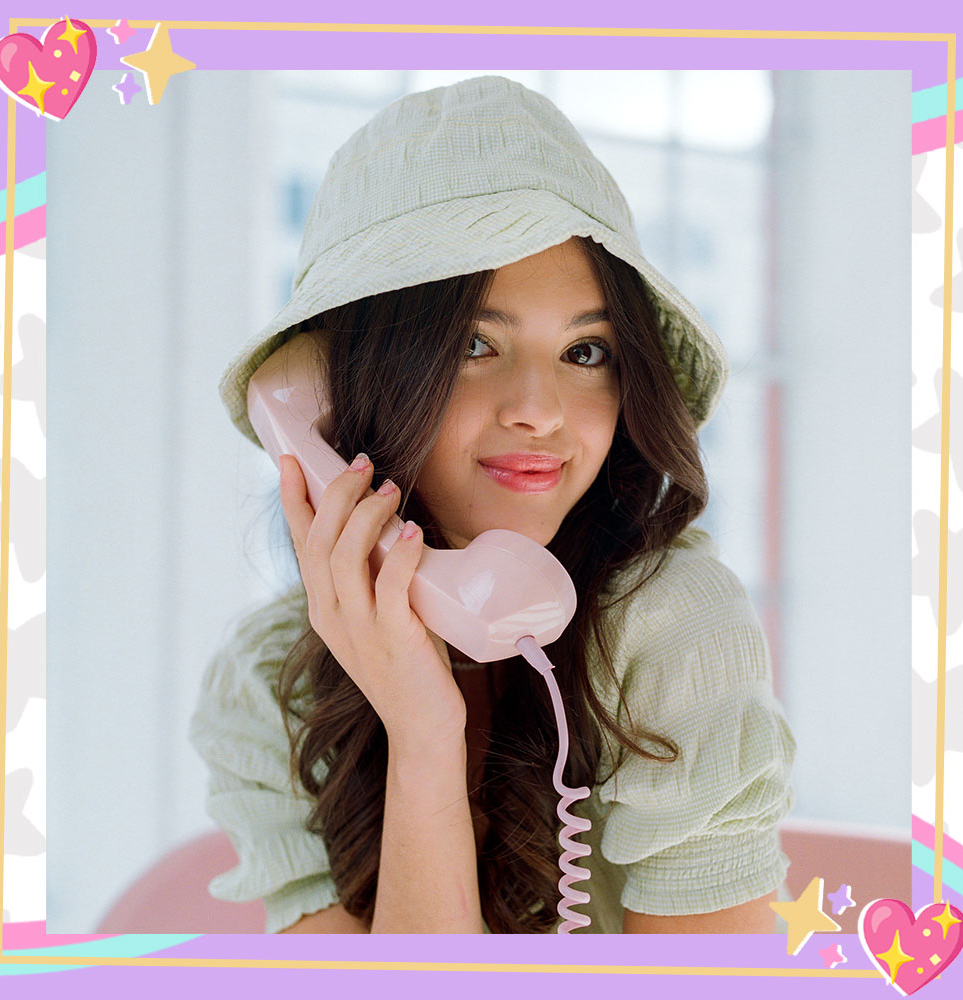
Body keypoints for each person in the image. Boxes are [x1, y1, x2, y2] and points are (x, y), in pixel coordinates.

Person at [190, 75, 795, 935]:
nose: (541, 411)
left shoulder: (672, 632)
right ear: (336, 389)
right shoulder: (270, 685)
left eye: (587, 351)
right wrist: (423, 738)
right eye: (477, 344)